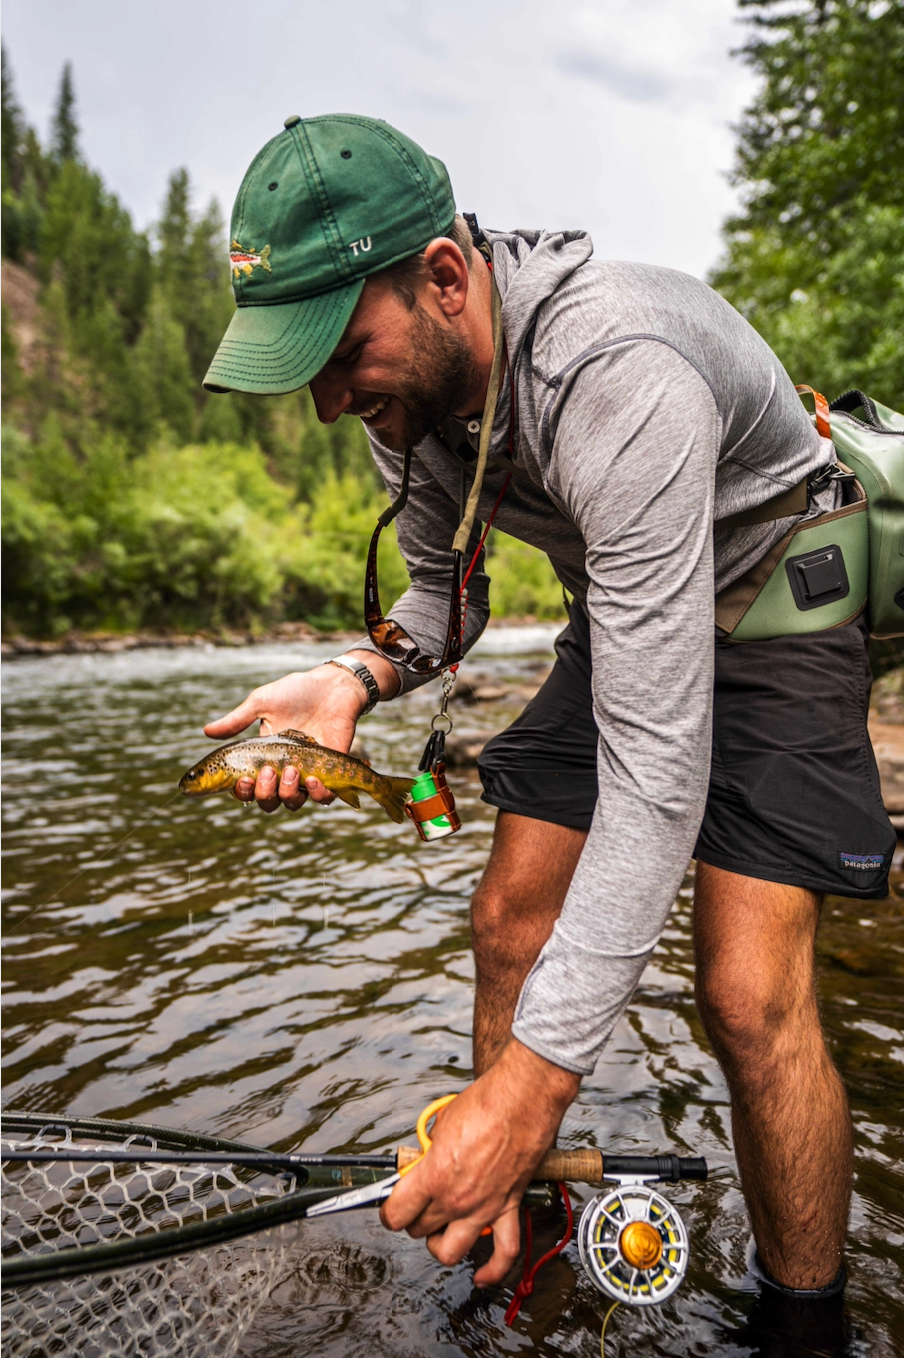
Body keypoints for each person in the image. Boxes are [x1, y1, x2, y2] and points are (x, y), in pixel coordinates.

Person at [201, 113, 895, 1304]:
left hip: (779, 596)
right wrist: (357, 676)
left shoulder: (613, 369)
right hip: (631, 604)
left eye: (341, 351)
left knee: (745, 996)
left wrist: (534, 1085)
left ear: (444, 278)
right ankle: (512, 1242)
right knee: (508, 919)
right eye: (304, 365)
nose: (326, 400)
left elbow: (653, 781)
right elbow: (445, 594)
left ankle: (805, 1320)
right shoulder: (405, 394)